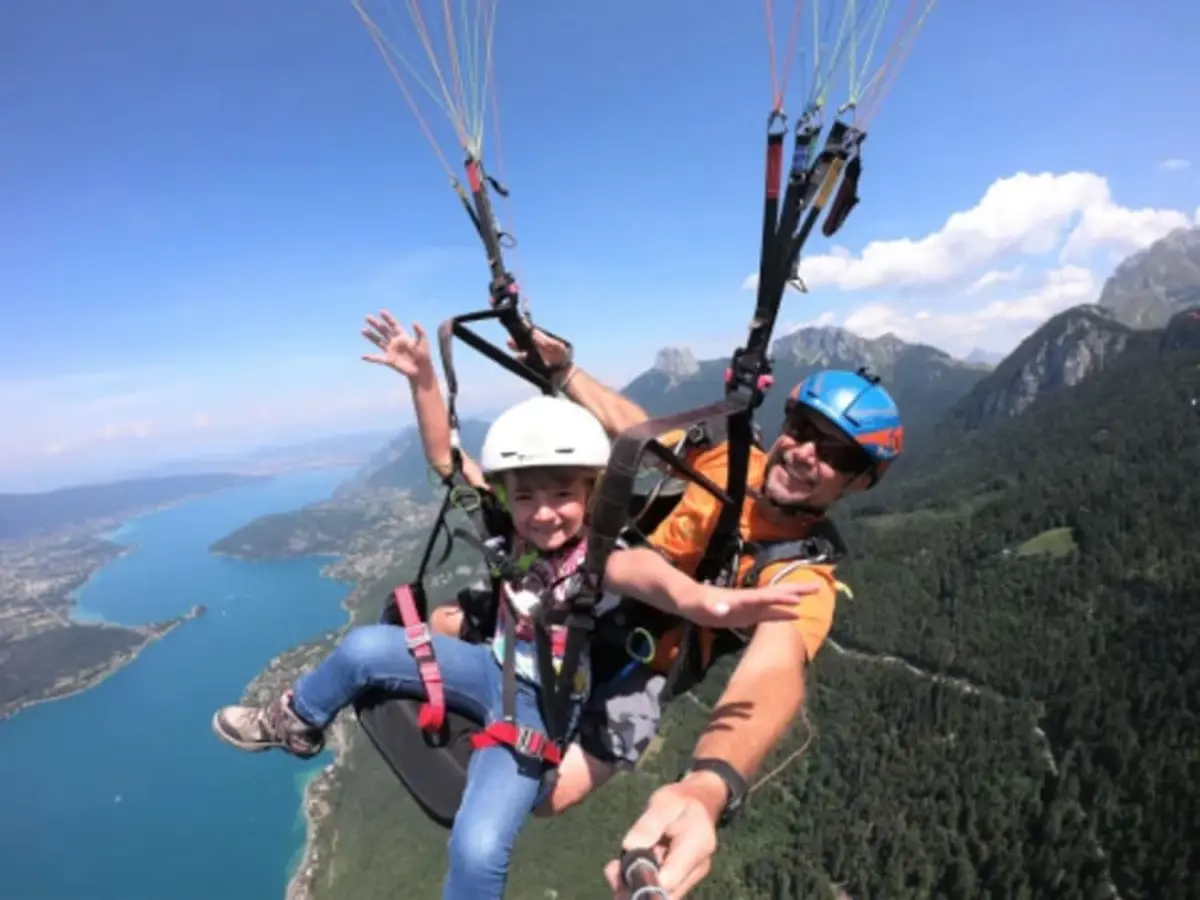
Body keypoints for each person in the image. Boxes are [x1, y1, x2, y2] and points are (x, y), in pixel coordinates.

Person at [210, 312, 822, 900]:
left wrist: (734, 605)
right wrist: (424, 378)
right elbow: (448, 460)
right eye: (526, 496)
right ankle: (294, 720)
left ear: (593, 493)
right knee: (364, 647)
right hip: (489, 668)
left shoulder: (603, 560)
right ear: (508, 495)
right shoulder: (511, 532)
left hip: (535, 715)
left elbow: (679, 594)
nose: (545, 511)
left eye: (563, 494)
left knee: (478, 848)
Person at [504, 330, 903, 899]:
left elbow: (774, 669)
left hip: (642, 663)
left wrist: (707, 786)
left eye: (837, 454)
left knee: (545, 796)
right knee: (454, 624)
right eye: (804, 430)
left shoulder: (802, 577)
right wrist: (565, 371)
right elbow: (633, 425)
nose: (807, 453)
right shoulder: (729, 458)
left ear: (859, 481)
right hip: (596, 593)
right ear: (786, 426)